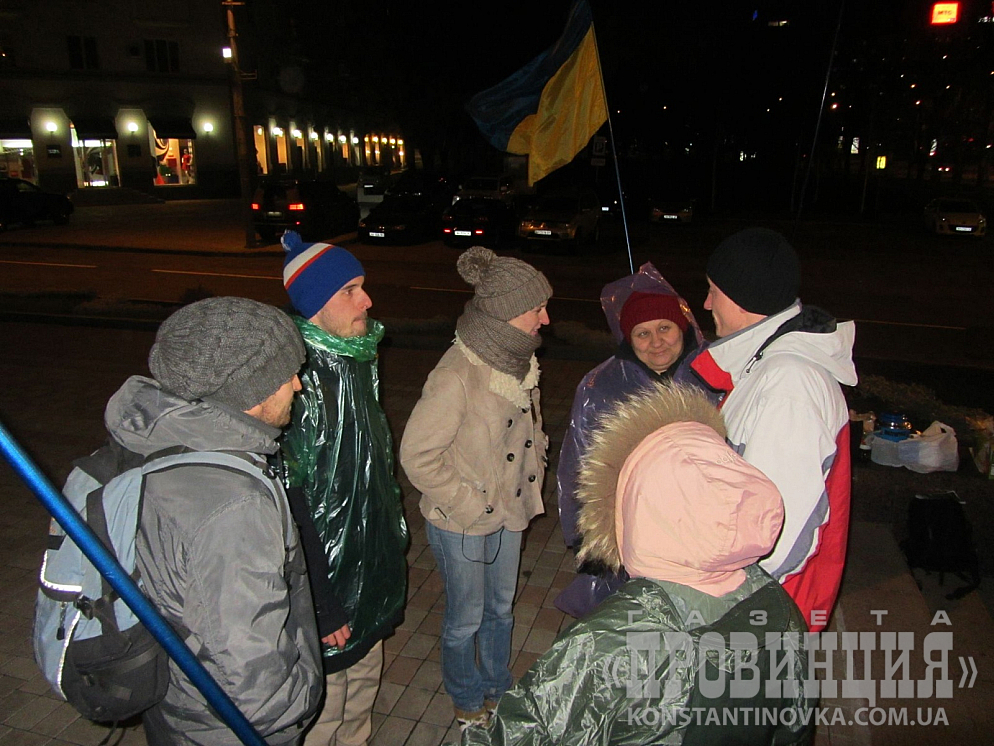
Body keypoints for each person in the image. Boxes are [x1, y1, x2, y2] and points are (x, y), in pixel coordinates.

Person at [457, 383, 813, 746]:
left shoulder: (608, 641)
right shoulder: (780, 609)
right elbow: (793, 727)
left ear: (642, 512)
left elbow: (522, 732)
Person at [114, 297, 322, 744]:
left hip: (176, 706)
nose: (298, 385)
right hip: (224, 729)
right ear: (251, 389)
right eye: (287, 374)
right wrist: (302, 696)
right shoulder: (234, 504)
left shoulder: (167, 440)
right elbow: (253, 685)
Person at [400, 246, 552, 731]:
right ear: (507, 312)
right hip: (463, 520)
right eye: (537, 308)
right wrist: (471, 503)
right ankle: (467, 699)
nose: (546, 319)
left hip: (509, 510)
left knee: (501, 610)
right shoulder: (456, 374)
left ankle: (497, 687)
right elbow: (417, 456)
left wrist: (537, 460)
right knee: (465, 619)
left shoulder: (517, 360)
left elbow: (530, 427)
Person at [689, 227, 857, 633]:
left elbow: (776, 533)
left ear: (743, 297)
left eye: (713, 291)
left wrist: (716, 603)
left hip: (762, 616)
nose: (706, 303)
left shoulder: (788, 385)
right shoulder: (769, 366)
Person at [279, 231, 409, 746]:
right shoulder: (294, 381)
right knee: (324, 712)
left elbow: (372, 477)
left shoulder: (356, 359)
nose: (367, 300)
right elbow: (290, 504)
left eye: (362, 286)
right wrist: (322, 602)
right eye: (350, 290)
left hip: (368, 569)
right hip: (328, 584)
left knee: (361, 701)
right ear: (316, 304)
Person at [555, 262, 707, 618]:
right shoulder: (602, 386)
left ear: (682, 327)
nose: (656, 342)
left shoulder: (712, 377)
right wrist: (589, 537)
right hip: (633, 531)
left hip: (699, 531)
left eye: (664, 328)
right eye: (642, 333)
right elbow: (579, 465)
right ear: (628, 338)